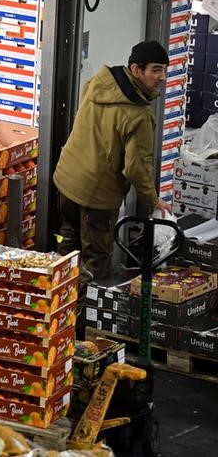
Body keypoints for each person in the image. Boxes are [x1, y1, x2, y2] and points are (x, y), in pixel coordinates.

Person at [53, 40, 172, 336]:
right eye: (156, 70)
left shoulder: (99, 82)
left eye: (164, 71)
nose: (161, 77)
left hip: (66, 179)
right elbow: (136, 167)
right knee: (96, 262)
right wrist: (153, 200)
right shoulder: (139, 115)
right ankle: (81, 331)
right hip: (97, 195)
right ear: (136, 69)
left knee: (67, 247)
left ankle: (52, 312)